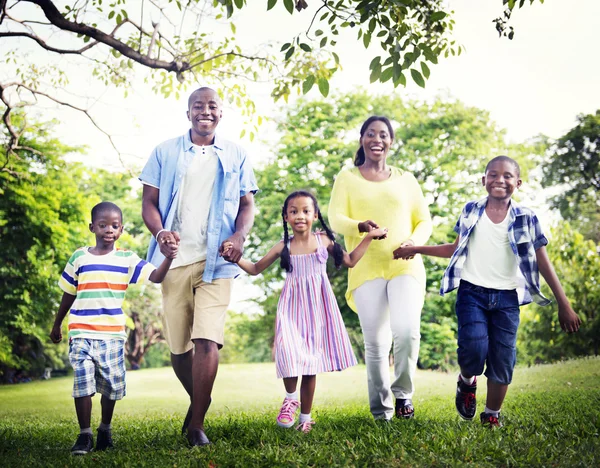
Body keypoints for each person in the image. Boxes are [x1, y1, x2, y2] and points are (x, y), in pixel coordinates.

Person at [396, 155, 581, 427]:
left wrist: (563, 303)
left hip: (507, 298)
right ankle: (467, 381)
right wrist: (415, 249)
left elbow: (542, 260)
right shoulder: (471, 210)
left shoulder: (527, 217)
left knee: (503, 359)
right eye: (493, 175)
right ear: (483, 180)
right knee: (473, 349)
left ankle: (491, 414)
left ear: (517, 183)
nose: (500, 180)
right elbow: (454, 248)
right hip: (472, 293)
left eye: (507, 176)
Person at [139, 87, 258, 446]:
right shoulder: (165, 151)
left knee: (207, 340)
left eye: (212, 106)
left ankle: (197, 426)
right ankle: (198, 400)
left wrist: (238, 236)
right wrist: (160, 233)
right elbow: (149, 202)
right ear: (188, 112)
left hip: (217, 260)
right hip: (174, 260)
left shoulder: (236, 153)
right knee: (179, 349)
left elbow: (247, 205)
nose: (205, 111)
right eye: (198, 106)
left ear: (221, 113)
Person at [223, 190, 387, 433]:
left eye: (305, 211)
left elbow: (350, 260)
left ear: (315, 215)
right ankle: (290, 398)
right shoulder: (283, 246)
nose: (300, 216)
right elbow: (256, 268)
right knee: (289, 354)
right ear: (286, 217)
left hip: (318, 308)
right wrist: (234, 258)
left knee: (310, 364)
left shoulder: (323, 241)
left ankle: (305, 419)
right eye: (294, 211)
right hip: (291, 308)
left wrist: (370, 237)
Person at [328, 115, 433, 421]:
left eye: (383, 134)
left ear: (391, 140)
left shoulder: (406, 179)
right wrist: (359, 225)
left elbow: (423, 220)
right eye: (371, 134)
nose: (377, 139)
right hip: (365, 267)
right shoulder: (346, 178)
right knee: (376, 343)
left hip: (405, 265)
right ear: (362, 139)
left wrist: (414, 241)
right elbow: (335, 218)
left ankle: (403, 395)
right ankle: (381, 412)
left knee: (407, 331)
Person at [50, 202, 176, 455]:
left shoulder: (126, 258)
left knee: (110, 386)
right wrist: (57, 324)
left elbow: (156, 277)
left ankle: (104, 429)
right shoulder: (79, 257)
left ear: (121, 230)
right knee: (82, 382)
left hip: (112, 334)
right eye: (103, 225)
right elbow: (68, 294)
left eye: (115, 226)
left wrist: (169, 258)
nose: (109, 229)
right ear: (92, 227)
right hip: (81, 332)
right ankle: (84, 435)